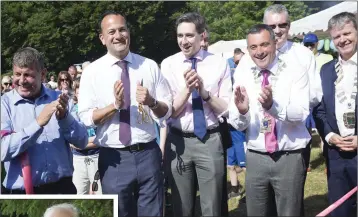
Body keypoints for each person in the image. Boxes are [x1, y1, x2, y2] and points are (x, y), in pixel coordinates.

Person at [78, 11, 172, 216]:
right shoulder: (92, 72)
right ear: (103, 39)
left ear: (129, 32)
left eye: (122, 29)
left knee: (153, 212)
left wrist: (152, 102)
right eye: (111, 32)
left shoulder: (148, 66)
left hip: (148, 154)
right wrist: (114, 106)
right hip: (114, 159)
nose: (118, 35)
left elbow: (166, 112)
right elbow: (85, 117)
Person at [229, 24, 310, 216]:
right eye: (253, 47)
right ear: (248, 49)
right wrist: (242, 111)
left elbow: (301, 112)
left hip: (289, 156)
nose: (259, 52)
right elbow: (237, 123)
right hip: (256, 156)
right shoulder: (242, 71)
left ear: (274, 44)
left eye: (264, 45)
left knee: (289, 212)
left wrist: (272, 107)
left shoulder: (295, 70)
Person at [161, 12, 232, 216]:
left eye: (190, 35)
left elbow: (227, 108)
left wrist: (203, 92)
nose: (184, 41)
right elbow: (168, 112)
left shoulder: (218, 63)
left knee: (212, 206)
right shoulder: (168, 65)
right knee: (181, 206)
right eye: (180, 36)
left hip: (210, 139)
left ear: (202, 36)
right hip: (179, 142)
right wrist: (187, 89)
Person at [1, 47, 88, 194]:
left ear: (42, 74)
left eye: (28, 75)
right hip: (20, 194)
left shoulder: (61, 99)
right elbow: (2, 151)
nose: (21, 81)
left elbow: (82, 141)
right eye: (17, 74)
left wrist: (65, 118)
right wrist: (38, 124)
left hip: (62, 188)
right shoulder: (4, 105)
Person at [313, 12, 357, 217]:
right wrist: (329, 136)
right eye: (337, 36)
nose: (342, 40)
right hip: (336, 154)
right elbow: (319, 109)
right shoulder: (326, 70)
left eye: (347, 33)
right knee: (340, 210)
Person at [71, 79, 102, 195]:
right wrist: (91, 140)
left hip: (97, 157)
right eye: (79, 93)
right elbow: (72, 142)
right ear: (75, 94)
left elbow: (102, 138)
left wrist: (82, 142)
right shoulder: (72, 112)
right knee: (79, 193)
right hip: (78, 159)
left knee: (100, 193)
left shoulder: (98, 112)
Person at [226, 48, 247, 199]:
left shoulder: (244, 80)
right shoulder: (226, 76)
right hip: (227, 126)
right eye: (236, 62)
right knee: (230, 162)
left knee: (244, 163)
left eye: (240, 62)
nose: (237, 65)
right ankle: (234, 188)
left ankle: (253, 191)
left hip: (239, 127)